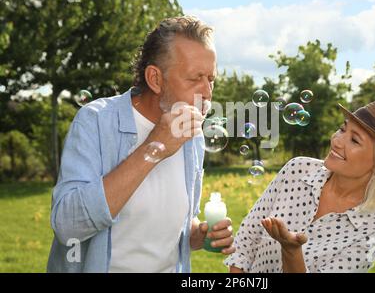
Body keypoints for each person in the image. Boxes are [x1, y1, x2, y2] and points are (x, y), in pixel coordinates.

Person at [47, 16, 235, 273]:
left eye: (211, 79)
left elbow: (167, 228)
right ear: (155, 79)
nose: (207, 92)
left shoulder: (193, 137)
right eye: (195, 78)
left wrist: (198, 235)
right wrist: (154, 147)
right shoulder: (96, 121)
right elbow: (68, 225)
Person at [224, 97, 375, 273]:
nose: (336, 140)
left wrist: (292, 251)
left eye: (354, 140)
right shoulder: (297, 169)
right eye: (342, 129)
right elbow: (246, 238)